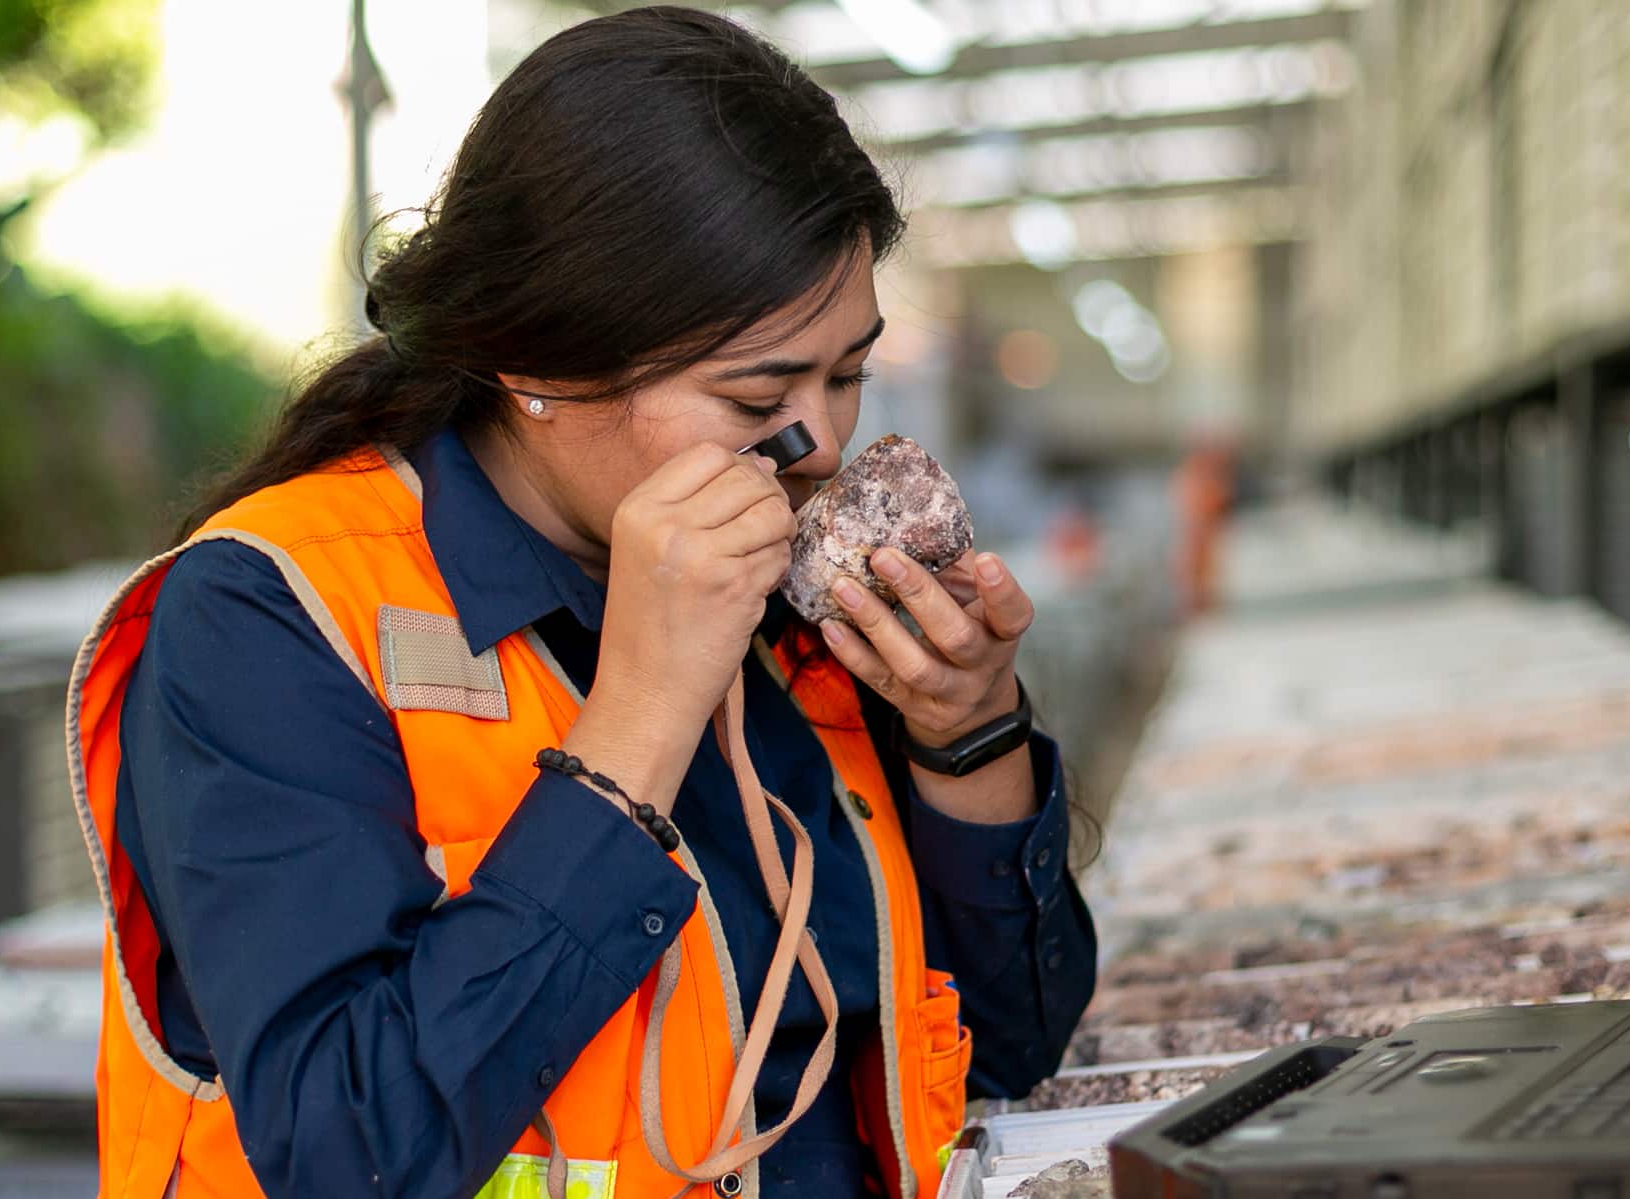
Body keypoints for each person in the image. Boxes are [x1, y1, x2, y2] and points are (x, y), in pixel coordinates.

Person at [64, 9, 1097, 1198]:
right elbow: (350, 1150)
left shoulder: (792, 622)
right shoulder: (265, 619)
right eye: (759, 390)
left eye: (849, 372)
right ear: (534, 360)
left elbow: (1016, 1046)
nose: (817, 444)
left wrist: (968, 733)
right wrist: (638, 722)